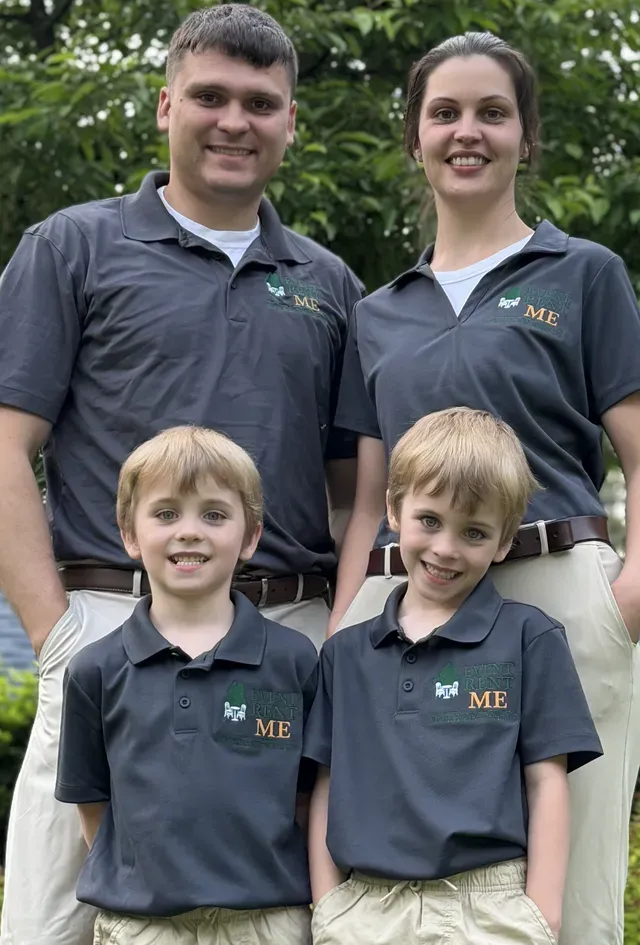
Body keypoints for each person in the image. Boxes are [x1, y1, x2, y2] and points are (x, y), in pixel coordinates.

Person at [0, 6, 360, 944]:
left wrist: (339, 632)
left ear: (290, 123)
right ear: (166, 106)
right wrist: (57, 633)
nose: (234, 120)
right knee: (54, 921)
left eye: (260, 102)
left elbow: (355, 489)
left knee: (287, 911)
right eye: (209, 96)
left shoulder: (329, 283)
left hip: (286, 638)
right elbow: (4, 442)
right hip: (111, 628)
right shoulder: (70, 247)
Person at [328, 31, 640, 945]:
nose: (469, 131)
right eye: (446, 112)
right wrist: (351, 615)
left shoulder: (584, 274)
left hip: (556, 578)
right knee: (390, 861)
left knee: (571, 885)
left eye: (493, 112)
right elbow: (367, 493)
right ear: (415, 138)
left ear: (526, 137)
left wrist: (626, 590)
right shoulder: (376, 312)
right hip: (404, 595)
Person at [306, 408, 603, 945]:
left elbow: (547, 781)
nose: (445, 548)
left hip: (490, 907)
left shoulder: (529, 638)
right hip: (365, 908)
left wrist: (542, 915)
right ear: (394, 510)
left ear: (505, 542)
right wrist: (328, 905)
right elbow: (325, 784)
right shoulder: (344, 654)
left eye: (474, 531)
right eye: (430, 521)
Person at [55, 425, 317, 945]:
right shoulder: (95, 670)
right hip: (142, 925)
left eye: (214, 515)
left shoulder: (295, 661)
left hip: (269, 922)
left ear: (250, 536)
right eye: (166, 513)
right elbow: (93, 805)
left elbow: (309, 798)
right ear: (130, 533)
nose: (190, 531)